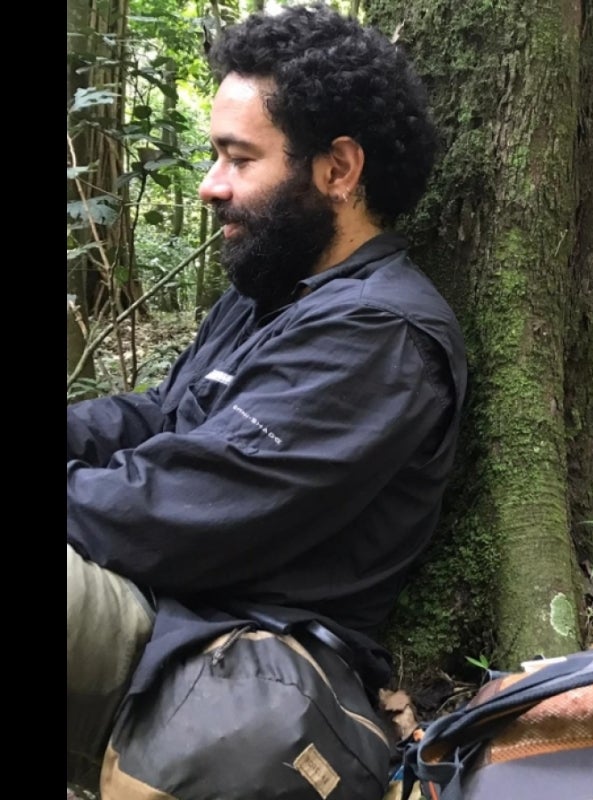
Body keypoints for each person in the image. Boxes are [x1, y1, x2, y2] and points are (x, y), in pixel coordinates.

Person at [66, 4, 466, 789]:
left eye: (238, 158)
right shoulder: (271, 290)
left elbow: (180, 511)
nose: (211, 187)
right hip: (160, 603)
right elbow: (161, 415)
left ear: (338, 170)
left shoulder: (380, 336)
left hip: (206, 640)